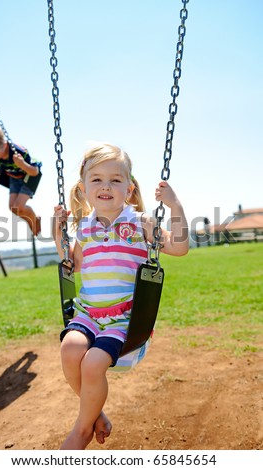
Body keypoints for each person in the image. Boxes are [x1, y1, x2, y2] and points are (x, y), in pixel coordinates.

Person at [53, 142, 189, 450]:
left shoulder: (140, 222)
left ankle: (82, 429)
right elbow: (72, 265)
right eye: (97, 179)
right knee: (69, 350)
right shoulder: (83, 228)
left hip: (124, 319)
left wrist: (175, 206)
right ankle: (97, 412)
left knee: (91, 365)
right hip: (87, 314)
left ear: (128, 189)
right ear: (84, 188)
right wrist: (57, 232)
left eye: (115, 179)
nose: (105, 185)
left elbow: (179, 247)